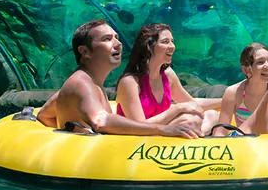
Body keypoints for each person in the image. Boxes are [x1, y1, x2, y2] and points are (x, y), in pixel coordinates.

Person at [36, 19, 200, 138]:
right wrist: (161, 129)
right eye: (107, 39)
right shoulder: (81, 84)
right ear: (84, 52)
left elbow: (44, 115)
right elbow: (101, 121)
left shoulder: (87, 84)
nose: (118, 44)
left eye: (117, 38)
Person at [114, 23, 220, 135]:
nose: (172, 46)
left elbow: (190, 103)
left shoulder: (168, 74)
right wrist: (176, 109)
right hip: (138, 138)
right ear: (149, 46)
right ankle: (196, 132)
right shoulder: (130, 82)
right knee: (192, 119)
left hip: (162, 133)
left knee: (212, 115)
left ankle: (195, 133)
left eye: (172, 41)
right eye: (165, 42)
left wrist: (225, 101)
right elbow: (139, 126)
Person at [213, 42, 268, 137]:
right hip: (244, 145)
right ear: (246, 70)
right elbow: (221, 132)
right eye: (260, 62)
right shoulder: (234, 93)